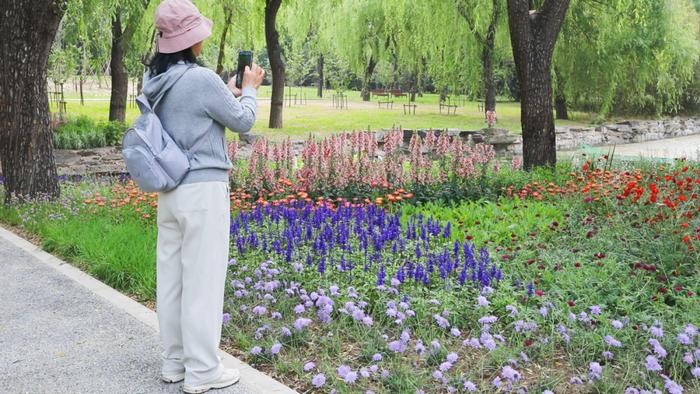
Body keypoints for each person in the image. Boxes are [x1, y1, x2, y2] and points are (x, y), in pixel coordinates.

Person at [142, 0, 265, 392]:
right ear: (190, 40)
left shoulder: (155, 81)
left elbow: (192, 112)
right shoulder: (200, 78)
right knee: (204, 281)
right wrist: (247, 91)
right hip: (204, 191)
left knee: (174, 280)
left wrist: (224, 92)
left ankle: (175, 362)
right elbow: (243, 121)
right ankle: (203, 371)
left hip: (170, 190)